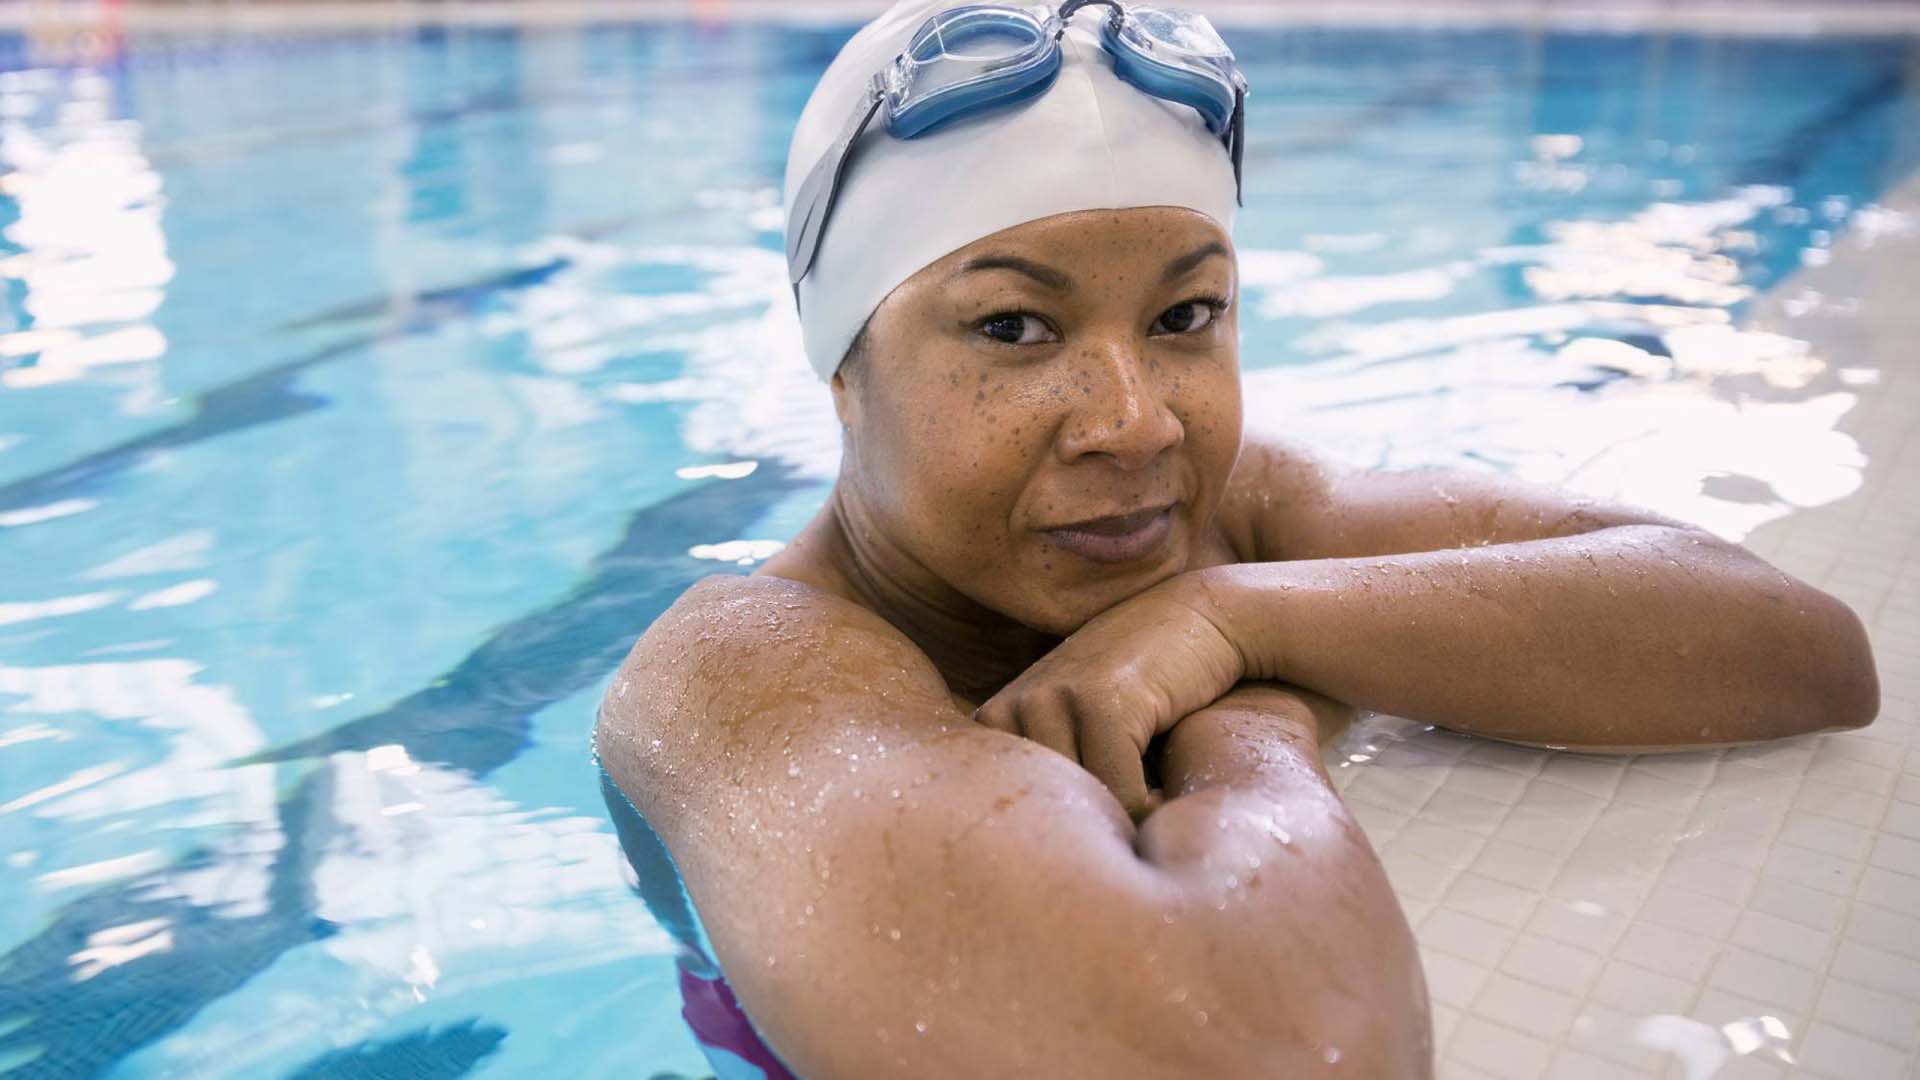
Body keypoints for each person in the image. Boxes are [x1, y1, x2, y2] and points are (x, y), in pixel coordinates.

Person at [595, 2, 1880, 1077]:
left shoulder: (1227, 523)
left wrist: (1228, 620)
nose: (1134, 423)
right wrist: (1261, 711)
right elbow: (1265, 1045)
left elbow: (1801, 646)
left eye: (1185, 314)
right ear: (842, 369)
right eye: (1013, 330)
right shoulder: (741, 676)